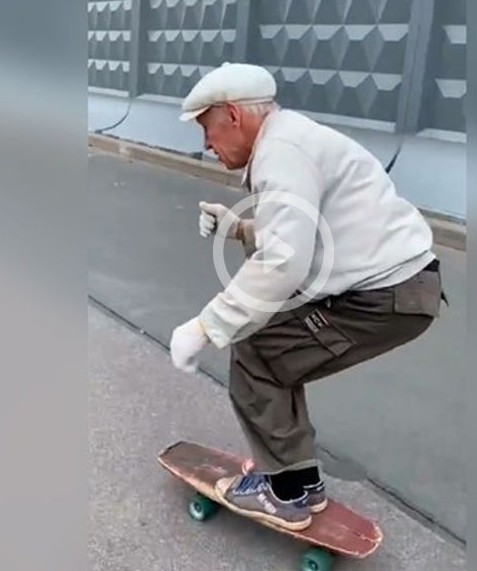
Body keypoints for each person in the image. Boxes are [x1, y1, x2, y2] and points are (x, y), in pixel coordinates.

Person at [169, 62, 444, 531]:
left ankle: (283, 493)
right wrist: (239, 228)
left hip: (386, 295)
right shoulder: (290, 138)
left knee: (259, 351)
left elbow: (282, 262)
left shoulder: (281, 153)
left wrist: (205, 327)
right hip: (395, 288)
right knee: (274, 349)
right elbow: (306, 231)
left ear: (233, 115)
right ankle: (299, 481)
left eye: (206, 127)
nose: (206, 144)